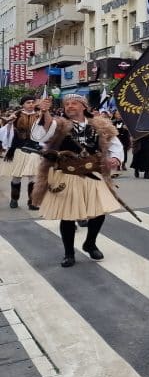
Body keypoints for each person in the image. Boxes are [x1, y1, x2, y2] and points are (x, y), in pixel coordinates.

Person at [31, 94, 124, 268]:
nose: (70, 106)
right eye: (67, 104)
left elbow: (115, 145)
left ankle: (90, 243)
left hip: (94, 173)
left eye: (74, 103)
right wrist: (44, 113)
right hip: (68, 174)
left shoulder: (99, 124)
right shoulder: (59, 124)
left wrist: (116, 159)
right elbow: (40, 135)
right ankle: (69, 253)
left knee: (99, 212)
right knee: (68, 216)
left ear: (83, 106)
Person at [0, 96, 54, 210]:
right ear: (22, 104)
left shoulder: (39, 115)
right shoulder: (17, 114)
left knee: (33, 177)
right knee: (16, 177)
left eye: (32, 102)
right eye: (27, 102)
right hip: (18, 148)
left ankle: (32, 202)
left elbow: (46, 130)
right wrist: (10, 123)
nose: (30, 104)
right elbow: (6, 132)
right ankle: (14, 199)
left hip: (34, 149)